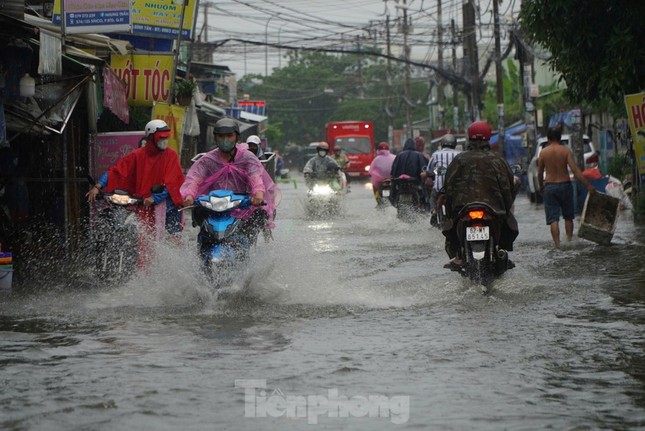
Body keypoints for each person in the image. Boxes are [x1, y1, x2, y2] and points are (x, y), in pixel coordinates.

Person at [86, 119, 185, 266]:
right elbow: (116, 171)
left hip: (167, 206)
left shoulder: (171, 155)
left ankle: (172, 266)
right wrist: (98, 186)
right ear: (151, 138)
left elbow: (173, 183)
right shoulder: (137, 155)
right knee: (141, 237)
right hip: (143, 204)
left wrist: (155, 198)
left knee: (172, 239)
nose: (165, 141)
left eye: (166, 137)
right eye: (161, 138)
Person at [181, 118, 280, 247]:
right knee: (203, 232)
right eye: (221, 136)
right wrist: (189, 195)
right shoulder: (208, 159)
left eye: (229, 136)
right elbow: (195, 178)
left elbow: (256, 176)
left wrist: (259, 194)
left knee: (254, 224)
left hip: (242, 205)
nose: (225, 140)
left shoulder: (247, 157)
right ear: (215, 138)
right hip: (215, 206)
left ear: (236, 137)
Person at [438, 120, 519, 270]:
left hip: (462, 209)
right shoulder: (498, 160)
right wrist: (505, 207)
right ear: (488, 138)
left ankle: (458, 256)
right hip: (494, 209)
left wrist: (449, 208)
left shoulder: (459, 160)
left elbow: (448, 187)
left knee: (450, 223)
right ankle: (501, 251)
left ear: (469, 138)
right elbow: (508, 186)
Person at [537, 126, 595, 247]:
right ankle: (569, 241)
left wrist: (540, 186)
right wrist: (588, 185)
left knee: (553, 218)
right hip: (565, 186)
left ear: (548, 138)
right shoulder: (565, 151)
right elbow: (575, 170)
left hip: (550, 186)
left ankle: (557, 244)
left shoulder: (543, 153)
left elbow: (539, 172)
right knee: (568, 216)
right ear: (559, 138)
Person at [425, 134, 460, 226]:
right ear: (454, 144)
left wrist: (439, 172)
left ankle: (433, 211)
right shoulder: (459, 154)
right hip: (455, 188)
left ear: (442, 144)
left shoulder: (436, 154)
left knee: (432, 197)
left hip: (439, 187)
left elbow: (429, 170)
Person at [389, 138, 428, 206]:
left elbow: (393, 171)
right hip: (415, 181)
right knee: (423, 194)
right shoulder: (419, 155)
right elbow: (424, 168)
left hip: (400, 181)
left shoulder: (399, 155)